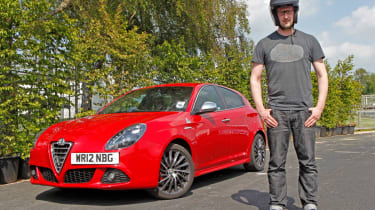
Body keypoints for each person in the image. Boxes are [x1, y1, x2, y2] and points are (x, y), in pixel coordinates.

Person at [250, 0, 328, 210]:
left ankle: (310, 202)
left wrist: (319, 107)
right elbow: (255, 78)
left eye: (289, 11)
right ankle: (277, 203)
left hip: (304, 112)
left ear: (295, 13)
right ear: (275, 14)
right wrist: (261, 110)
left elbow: (322, 74)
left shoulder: (309, 41)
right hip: (277, 113)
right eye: (282, 12)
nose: (286, 16)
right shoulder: (264, 44)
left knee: (308, 161)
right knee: (276, 163)